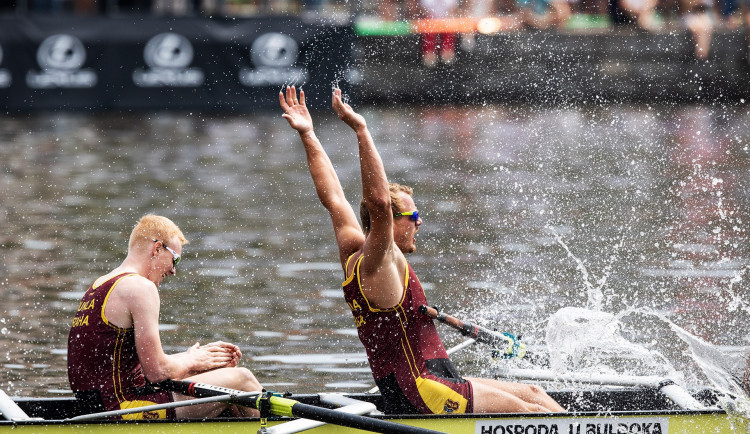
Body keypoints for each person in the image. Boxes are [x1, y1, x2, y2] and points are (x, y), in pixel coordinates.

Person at [279, 86, 565, 415]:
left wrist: (309, 134)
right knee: (530, 415)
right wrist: (361, 130)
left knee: (533, 392)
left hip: (430, 379)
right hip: (421, 390)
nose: (419, 222)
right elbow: (379, 201)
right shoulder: (377, 262)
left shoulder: (353, 251)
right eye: (413, 216)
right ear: (388, 221)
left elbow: (334, 198)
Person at [67, 214, 262, 420]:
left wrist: (196, 362)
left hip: (99, 407)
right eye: (175, 259)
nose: (173, 270)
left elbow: (133, 368)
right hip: (124, 408)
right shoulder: (140, 287)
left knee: (219, 382)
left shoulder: (101, 285)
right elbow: (157, 372)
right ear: (157, 248)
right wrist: (192, 360)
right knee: (242, 380)